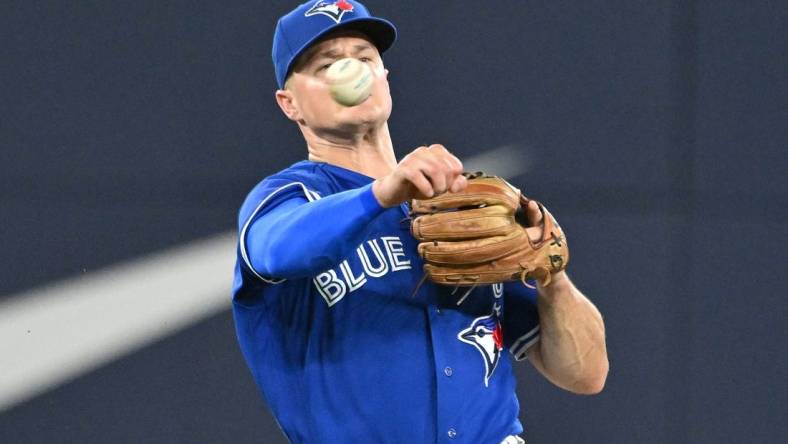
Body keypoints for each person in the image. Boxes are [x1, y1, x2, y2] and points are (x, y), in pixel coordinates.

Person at [232, 1, 608, 443]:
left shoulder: (459, 211)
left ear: (385, 78)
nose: (350, 70)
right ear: (289, 103)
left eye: (364, 57)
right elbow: (274, 250)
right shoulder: (290, 199)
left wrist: (553, 279)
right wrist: (379, 194)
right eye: (327, 64)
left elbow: (587, 374)